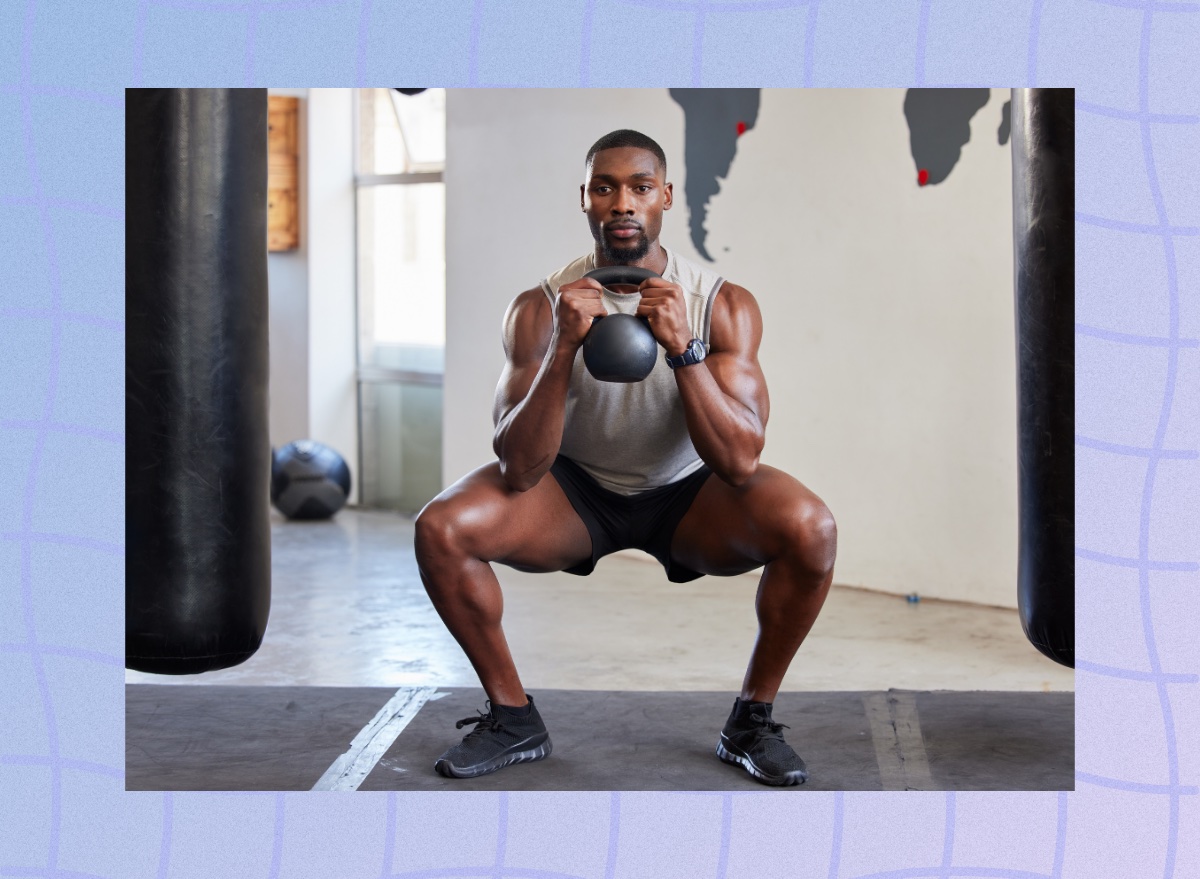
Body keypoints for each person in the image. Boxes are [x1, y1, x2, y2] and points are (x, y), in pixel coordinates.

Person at [414, 129, 837, 787]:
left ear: (665, 196)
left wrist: (686, 349)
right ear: (584, 198)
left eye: (640, 187)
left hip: (689, 493)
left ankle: (751, 719)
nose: (623, 203)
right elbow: (520, 468)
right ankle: (512, 716)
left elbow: (741, 462)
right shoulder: (539, 306)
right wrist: (562, 346)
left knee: (811, 528)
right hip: (573, 492)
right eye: (605, 187)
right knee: (441, 528)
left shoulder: (721, 303)